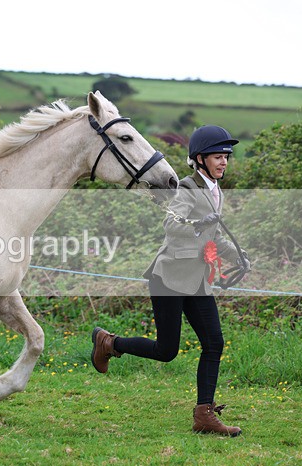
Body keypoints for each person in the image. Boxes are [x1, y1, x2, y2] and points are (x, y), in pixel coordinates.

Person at [91, 125, 250, 437]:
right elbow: (172, 224)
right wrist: (196, 223)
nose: (224, 162)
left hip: (197, 281)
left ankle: (204, 414)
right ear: (200, 159)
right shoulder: (188, 189)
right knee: (167, 351)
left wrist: (237, 256)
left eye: (226, 157)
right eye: (218, 157)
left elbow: (213, 234)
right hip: (170, 278)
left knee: (214, 342)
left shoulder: (215, 191)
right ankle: (109, 343)